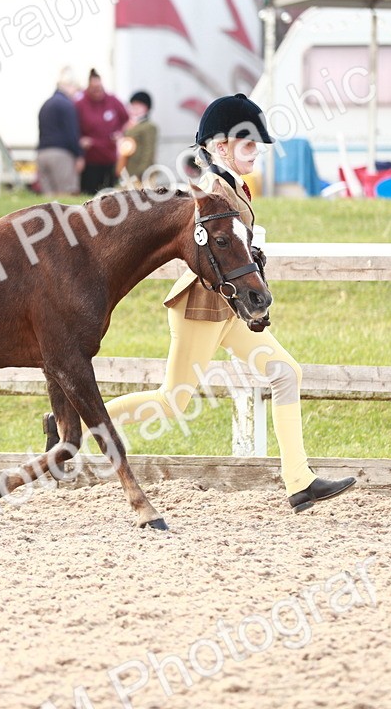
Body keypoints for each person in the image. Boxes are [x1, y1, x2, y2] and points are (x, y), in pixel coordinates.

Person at [45, 94, 356, 514]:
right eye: (248, 146)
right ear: (221, 147)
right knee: (172, 401)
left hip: (229, 308)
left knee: (286, 373)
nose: (256, 154)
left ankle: (300, 482)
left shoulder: (233, 185)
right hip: (202, 308)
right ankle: (71, 425)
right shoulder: (211, 190)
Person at [75, 68, 128, 194]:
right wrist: (80, 139)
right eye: (94, 89)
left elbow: (126, 120)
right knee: (89, 195)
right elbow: (72, 127)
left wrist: (120, 133)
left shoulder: (113, 101)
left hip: (110, 157)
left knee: (109, 194)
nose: (97, 92)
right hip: (90, 159)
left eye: (99, 88)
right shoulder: (80, 104)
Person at [35, 67, 84, 196]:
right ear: (70, 86)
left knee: (48, 198)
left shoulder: (46, 104)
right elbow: (72, 133)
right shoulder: (67, 105)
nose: (76, 93)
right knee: (67, 195)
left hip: (42, 153)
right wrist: (79, 155)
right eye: (76, 89)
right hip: (61, 155)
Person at [121, 90, 157, 184]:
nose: (135, 109)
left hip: (142, 174)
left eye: (139, 106)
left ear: (147, 108)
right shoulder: (130, 125)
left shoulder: (149, 126)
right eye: (133, 105)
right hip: (129, 170)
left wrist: (141, 172)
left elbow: (149, 151)